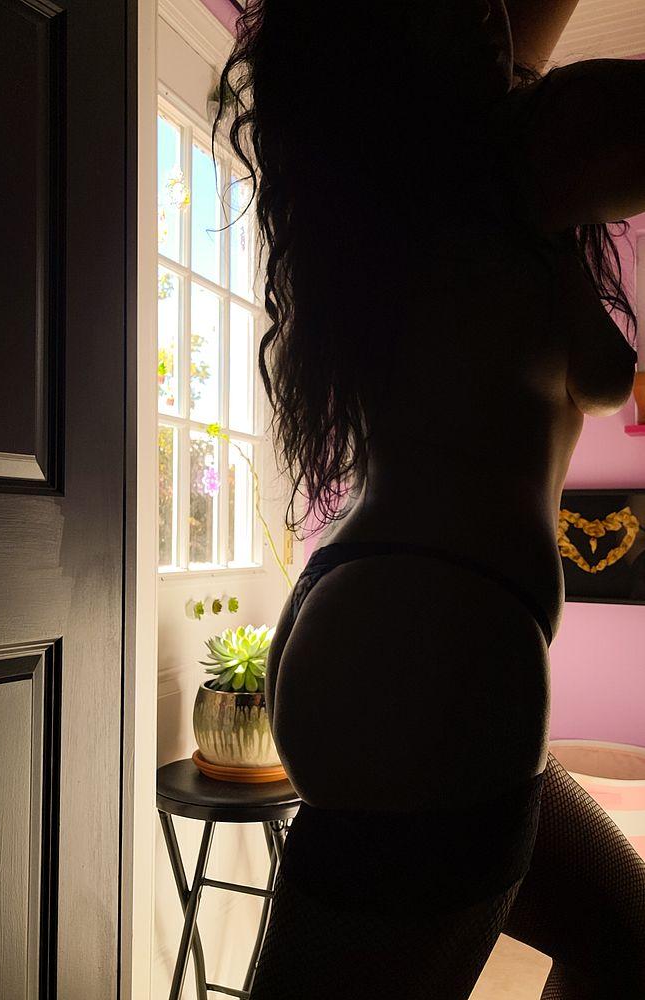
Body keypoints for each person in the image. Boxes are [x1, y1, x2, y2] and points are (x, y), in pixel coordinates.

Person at [211, 2, 645, 997]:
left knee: (626, 939)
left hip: (395, 620)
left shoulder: (423, 183)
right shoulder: (502, 163)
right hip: (430, 648)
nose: (490, 11)